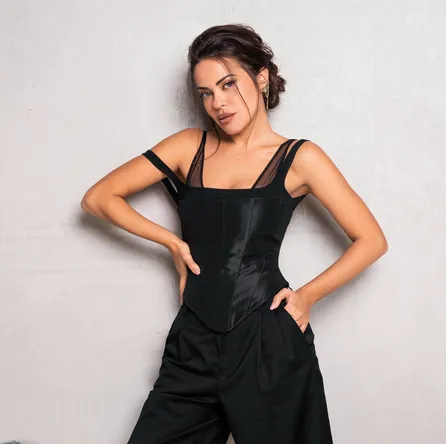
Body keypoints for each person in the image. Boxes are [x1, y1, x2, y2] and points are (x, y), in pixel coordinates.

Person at [81, 24, 388, 444]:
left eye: (228, 84)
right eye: (206, 93)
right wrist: (172, 243)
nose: (218, 103)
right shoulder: (188, 146)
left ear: (261, 78)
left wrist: (307, 297)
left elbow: (372, 240)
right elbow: (98, 198)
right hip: (193, 343)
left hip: (268, 342)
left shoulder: (300, 157)